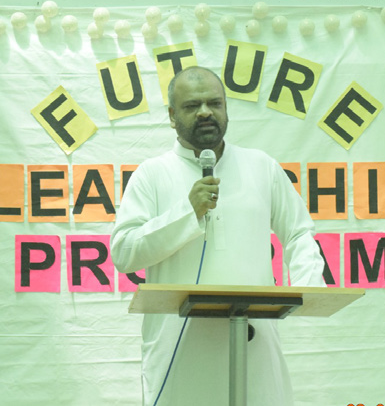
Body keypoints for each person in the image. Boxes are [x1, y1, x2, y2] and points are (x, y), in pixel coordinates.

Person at [110, 66, 325, 406]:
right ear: (172, 116)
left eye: (214, 103)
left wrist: (308, 287)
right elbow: (124, 252)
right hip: (180, 348)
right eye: (192, 105)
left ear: (226, 108)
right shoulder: (152, 174)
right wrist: (187, 212)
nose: (205, 112)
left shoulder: (261, 166)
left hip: (253, 340)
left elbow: (299, 232)